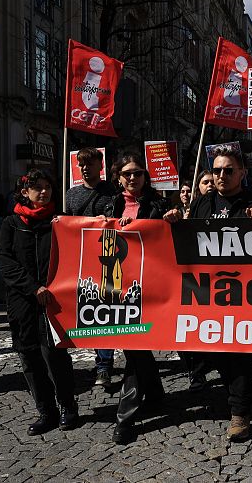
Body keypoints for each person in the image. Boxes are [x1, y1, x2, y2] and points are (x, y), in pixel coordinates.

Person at [164, 144, 252, 442]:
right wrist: (174, 222)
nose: (221, 175)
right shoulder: (202, 203)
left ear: (242, 173)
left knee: (238, 352)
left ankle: (240, 412)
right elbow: (188, 240)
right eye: (217, 171)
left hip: (245, 294)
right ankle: (230, 393)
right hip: (209, 293)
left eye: (228, 170)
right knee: (217, 350)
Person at [0, 169, 78, 435]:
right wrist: (33, 287)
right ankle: (46, 411)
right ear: (25, 192)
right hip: (22, 302)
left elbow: (81, 244)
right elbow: (6, 262)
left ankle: (68, 407)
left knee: (55, 355)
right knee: (29, 357)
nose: (44, 192)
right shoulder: (11, 224)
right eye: (38, 187)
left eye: (48, 187)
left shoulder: (60, 220)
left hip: (54, 301)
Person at [103, 153, 169, 445]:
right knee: (134, 344)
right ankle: (154, 394)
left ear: (145, 176)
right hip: (117, 283)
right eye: (127, 173)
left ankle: (125, 418)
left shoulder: (158, 204)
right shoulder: (109, 204)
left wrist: (168, 220)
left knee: (135, 343)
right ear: (118, 178)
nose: (133, 178)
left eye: (138, 173)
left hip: (150, 283)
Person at [65, 147, 117, 387]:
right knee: (91, 311)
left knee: (106, 310)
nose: (85, 168)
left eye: (90, 163)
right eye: (81, 164)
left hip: (109, 258)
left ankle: (104, 365)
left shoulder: (113, 192)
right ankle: (102, 361)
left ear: (100, 166)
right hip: (82, 260)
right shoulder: (71, 194)